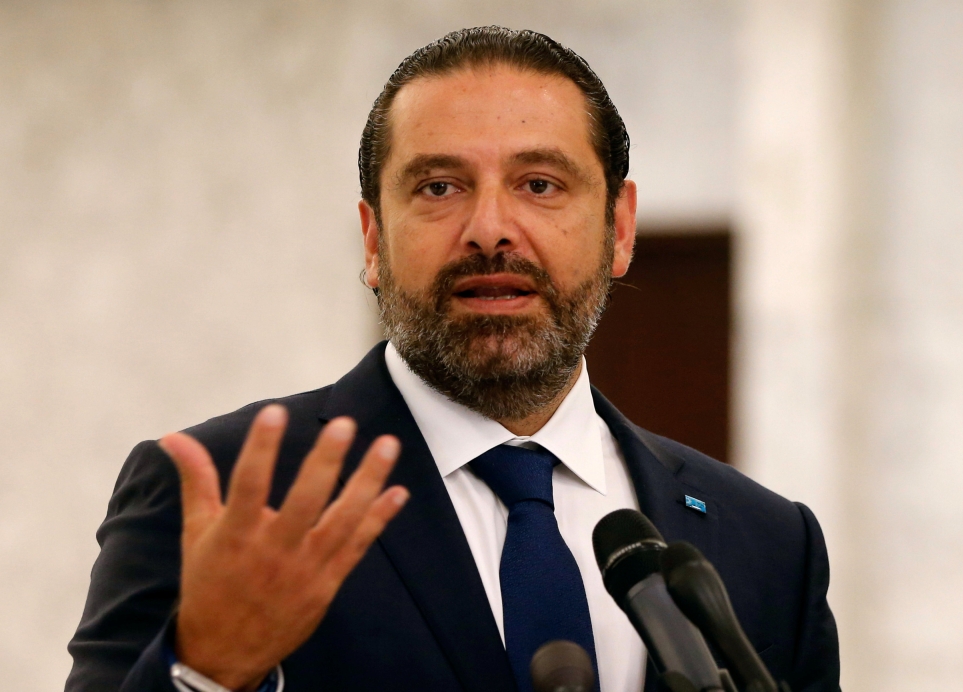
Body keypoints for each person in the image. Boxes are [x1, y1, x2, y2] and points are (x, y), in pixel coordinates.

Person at [66, 26, 839, 692]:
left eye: (540, 184)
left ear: (620, 228)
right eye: (439, 187)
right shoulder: (232, 496)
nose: (490, 229)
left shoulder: (766, 542)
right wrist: (206, 672)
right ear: (373, 240)